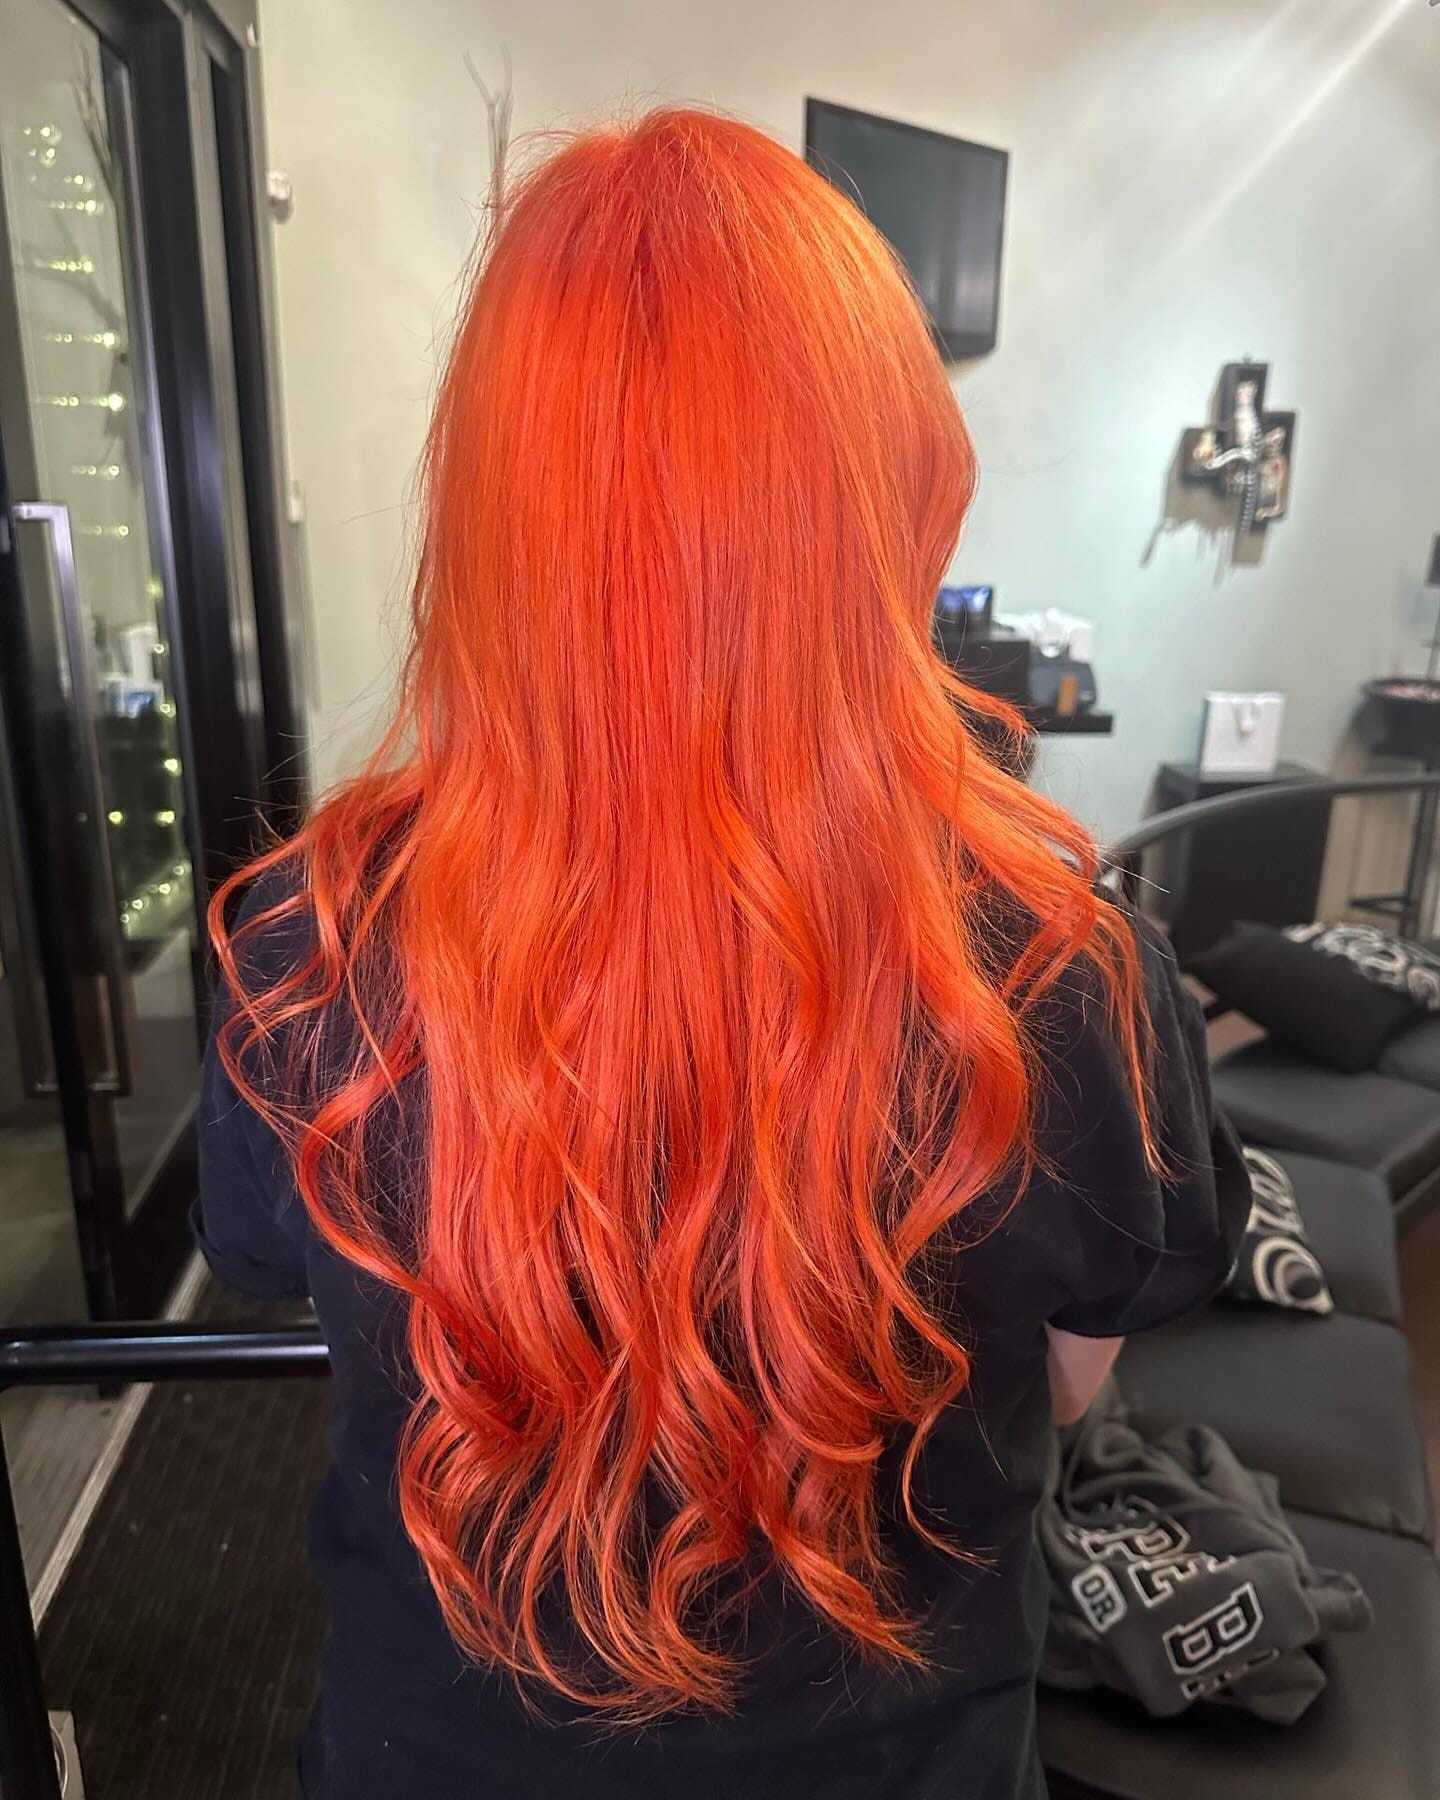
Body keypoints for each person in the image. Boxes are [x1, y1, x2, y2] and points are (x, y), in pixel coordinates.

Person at [197, 107, 1250, 1800]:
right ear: (883, 491)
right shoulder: (1068, 968)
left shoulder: (303, 948)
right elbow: (1065, 1393)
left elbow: (298, 1292)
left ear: (497, 513)